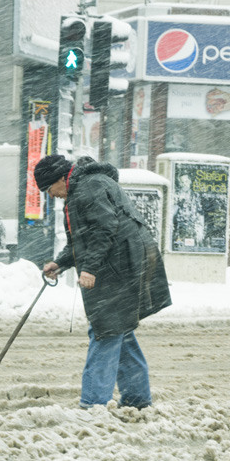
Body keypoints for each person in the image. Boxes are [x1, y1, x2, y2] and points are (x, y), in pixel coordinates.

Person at [34, 154, 171, 410]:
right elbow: (82, 239)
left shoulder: (88, 188)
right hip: (128, 258)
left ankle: (93, 403)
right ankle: (137, 398)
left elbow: (103, 229)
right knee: (120, 329)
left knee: (106, 327)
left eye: (49, 189)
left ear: (60, 179)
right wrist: (60, 263)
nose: (51, 195)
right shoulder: (84, 187)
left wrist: (89, 269)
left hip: (124, 261)